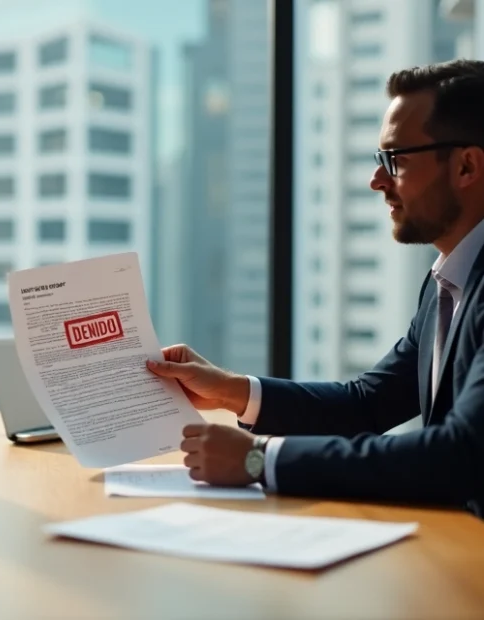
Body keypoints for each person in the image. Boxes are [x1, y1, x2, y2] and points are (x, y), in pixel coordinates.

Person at [147, 59, 484, 517]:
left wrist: (256, 459)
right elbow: (367, 405)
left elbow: (461, 456)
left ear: (466, 166)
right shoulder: (448, 279)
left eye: (397, 160)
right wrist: (231, 391)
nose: (377, 180)